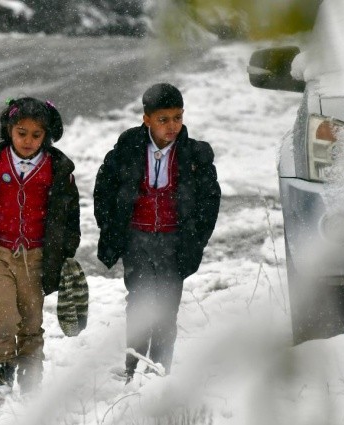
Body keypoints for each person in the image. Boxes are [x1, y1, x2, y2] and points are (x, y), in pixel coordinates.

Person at [93, 83, 220, 382]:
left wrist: (195, 240)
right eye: (163, 119)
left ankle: (158, 372)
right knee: (138, 303)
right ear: (146, 119)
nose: (172, 126)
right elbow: (104, 189)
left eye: (178, 117)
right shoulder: (128, 149)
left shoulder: (194, 155)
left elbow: (209, 201)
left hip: (174, 243)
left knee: (166, 308)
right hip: (137, 240)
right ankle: (132, 367)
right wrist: (111, 229)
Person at [0, 97, 80, 396]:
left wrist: (64, 251)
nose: (28, 140)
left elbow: (70, 215)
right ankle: (2, 375)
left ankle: (31, 379)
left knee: (31, 320)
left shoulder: (57, 169)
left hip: (37, 257)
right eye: (21, 132)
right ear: (9, 130)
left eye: (37, 135)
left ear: (47, 136)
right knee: (3, 318)